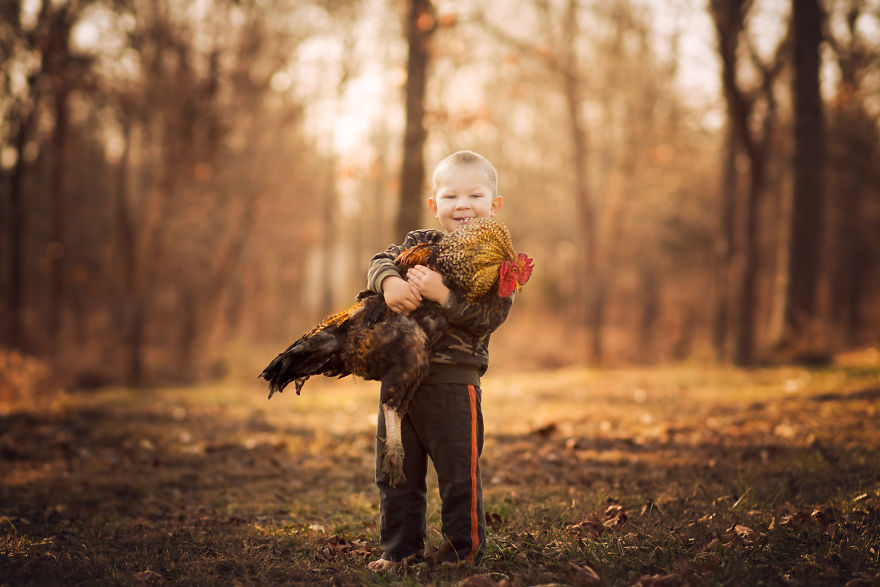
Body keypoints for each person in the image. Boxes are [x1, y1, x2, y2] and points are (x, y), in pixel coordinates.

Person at [365, 151, 514, 572]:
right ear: (435, 205)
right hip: (399, 380)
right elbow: (378, 261)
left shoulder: (497, 260)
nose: (462, 204)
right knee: (396, 472)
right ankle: (400, 550)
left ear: (494, 204)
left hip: (454, 383)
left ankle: (460, 552)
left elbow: (489, 316)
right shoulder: (418, 245)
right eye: (450, 195)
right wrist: (390, 282)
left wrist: (441, 294)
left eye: (475, 195)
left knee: (456, 474)